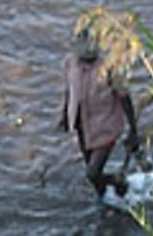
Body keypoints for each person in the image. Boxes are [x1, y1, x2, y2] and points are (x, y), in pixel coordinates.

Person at [60, 28, 140, 198]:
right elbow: (69, 90)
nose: (85, 60)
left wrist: (133, 129)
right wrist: (65, 116)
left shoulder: (109, 67)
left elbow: (124, 97)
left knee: (92, 173)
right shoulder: (70, 63)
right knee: (91, 169)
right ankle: (104, 199)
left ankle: (118, 181)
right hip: (82, 124)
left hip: (106, 125)